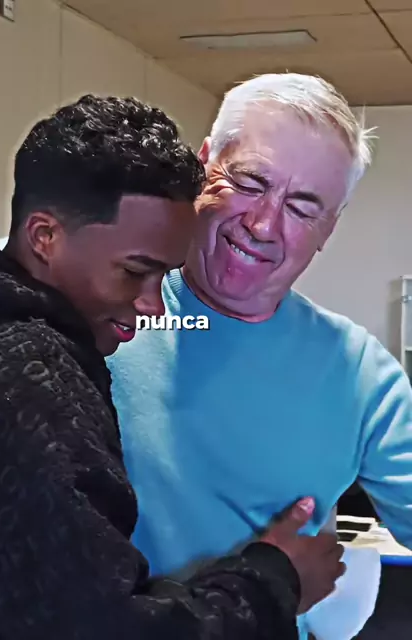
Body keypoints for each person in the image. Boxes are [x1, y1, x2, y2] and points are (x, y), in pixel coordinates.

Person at [0, 94, 345, 640]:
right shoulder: (21, 379)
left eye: (164, 275)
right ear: (44, 237)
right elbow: (105, 629)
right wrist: (277, 579)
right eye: (133, 271)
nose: (153, 305)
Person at [107, 74, 412, 639]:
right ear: (203, 166)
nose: (264, 225)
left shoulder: (361, 376)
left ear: (329, 228)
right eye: (250, 182)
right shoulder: (92, 301)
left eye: (302, 207)